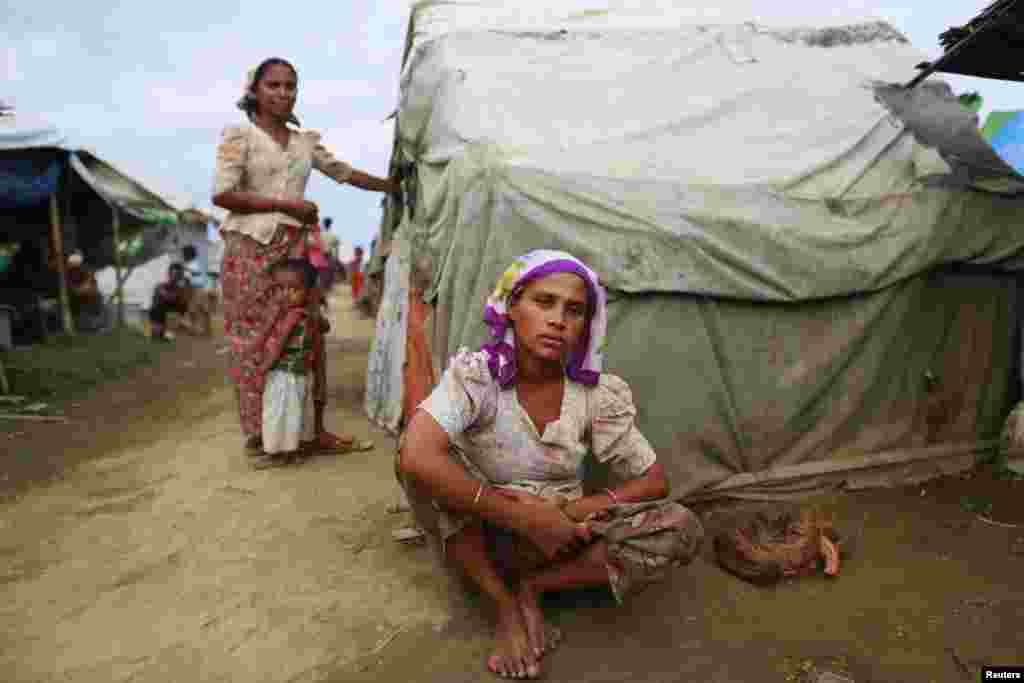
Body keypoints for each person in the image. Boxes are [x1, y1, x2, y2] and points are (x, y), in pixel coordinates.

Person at [398, 250, 704, 679]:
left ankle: (532, 589)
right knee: (425, 466)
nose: (558, 319)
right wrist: (521, 516)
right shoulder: (478, 379)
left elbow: (654, 480)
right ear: (512, 307)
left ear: (585, 326)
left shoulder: (595, 395)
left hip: (562, 537)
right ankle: (502, 606)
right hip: (483, 538)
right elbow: (415, 455)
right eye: (544, 302)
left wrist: (566, 514)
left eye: (574, 310)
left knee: (679, 526)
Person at [211, 57, 399, 457]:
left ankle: (314, 430)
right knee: (254, 343)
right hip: (248, 252)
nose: (282, 93)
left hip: (293, 255)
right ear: (254, 92)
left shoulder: (304, 142)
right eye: (273, 85)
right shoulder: (239, 135)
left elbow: (345, 173)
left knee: (308, 332)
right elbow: (223, 195)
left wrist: (391, 186)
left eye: (289, 86)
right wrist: (287, 206)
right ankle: (262, 436)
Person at [253, 259, 319, 469]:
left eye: (294, 289)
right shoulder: (306, 314)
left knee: (277, 411)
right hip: (299, 373)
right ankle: (291, 452)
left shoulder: (292, 316)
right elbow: (322, 327)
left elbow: (279, 344)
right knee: (293, 412)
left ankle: (274, 454)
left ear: (307, 291)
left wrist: (264, 367)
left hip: (283, 373)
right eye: (282, 288)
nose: (286, 293)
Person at [64, 251, 106, 332]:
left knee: (96, 297)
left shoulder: (84, 270)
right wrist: (83, 288)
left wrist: (89, 285)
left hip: (85, 295)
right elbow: (72, 288)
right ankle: (88, 324)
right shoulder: (68, 273)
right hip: (75, 296)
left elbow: (93, 285)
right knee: (92, 298)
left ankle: (94, 323)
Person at [148, 262, 189, 341]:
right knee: (159, 306)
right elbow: (166, 296)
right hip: (159, 315)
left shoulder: (182, 288)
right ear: (169, 273)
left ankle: (170, 330)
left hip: (173, 315)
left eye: (179, 275)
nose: (176, 277)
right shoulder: (160, 286)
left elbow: (184, 302)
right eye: (174, 274)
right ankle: (160, 330)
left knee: (183, 303)